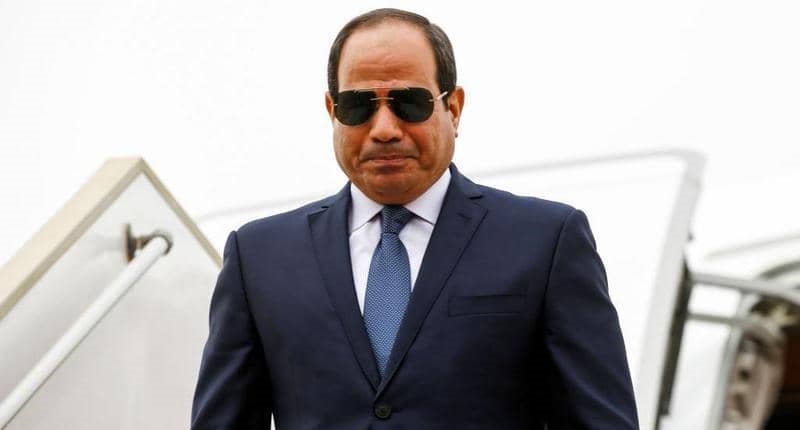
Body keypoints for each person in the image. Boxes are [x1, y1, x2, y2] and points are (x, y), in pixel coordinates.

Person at [191, 8, 638, 430]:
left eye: (409, 102)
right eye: (358, 106)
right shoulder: (259, 257)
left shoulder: (546, 242)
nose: (384, 129)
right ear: (332, 112)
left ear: (454, 108)